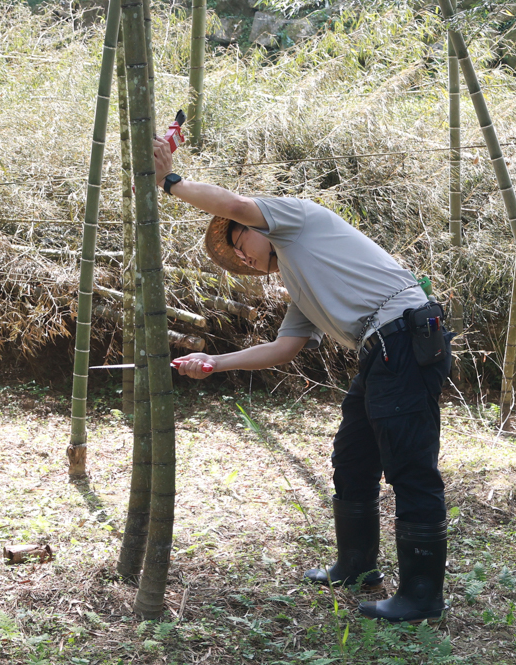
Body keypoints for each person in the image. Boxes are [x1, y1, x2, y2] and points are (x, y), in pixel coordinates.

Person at [152, 138, 453, 623]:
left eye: (240, 242)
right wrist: (213, 362)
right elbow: (283, 348)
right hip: (381, 352)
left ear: (256, 225)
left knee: (409, 466)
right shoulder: (299, 280)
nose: (243, 257)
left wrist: (170, 182)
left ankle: (422, 596)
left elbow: (232, 204)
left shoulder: (297, 217)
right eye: (235, 254)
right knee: (353, 456)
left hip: (404, 337)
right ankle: (357, 567)